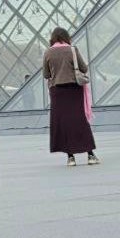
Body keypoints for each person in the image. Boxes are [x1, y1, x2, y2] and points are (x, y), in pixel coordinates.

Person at [42, 27, 99, 167]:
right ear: (66, 37)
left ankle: (70, 158)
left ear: (53, 38)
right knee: (80, 121)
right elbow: (84, 68)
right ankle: (90, 155)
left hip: (57, 92)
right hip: (74, 89)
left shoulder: (48, 52)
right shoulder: (72, 50)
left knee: (64, 123)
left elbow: (46, 74)